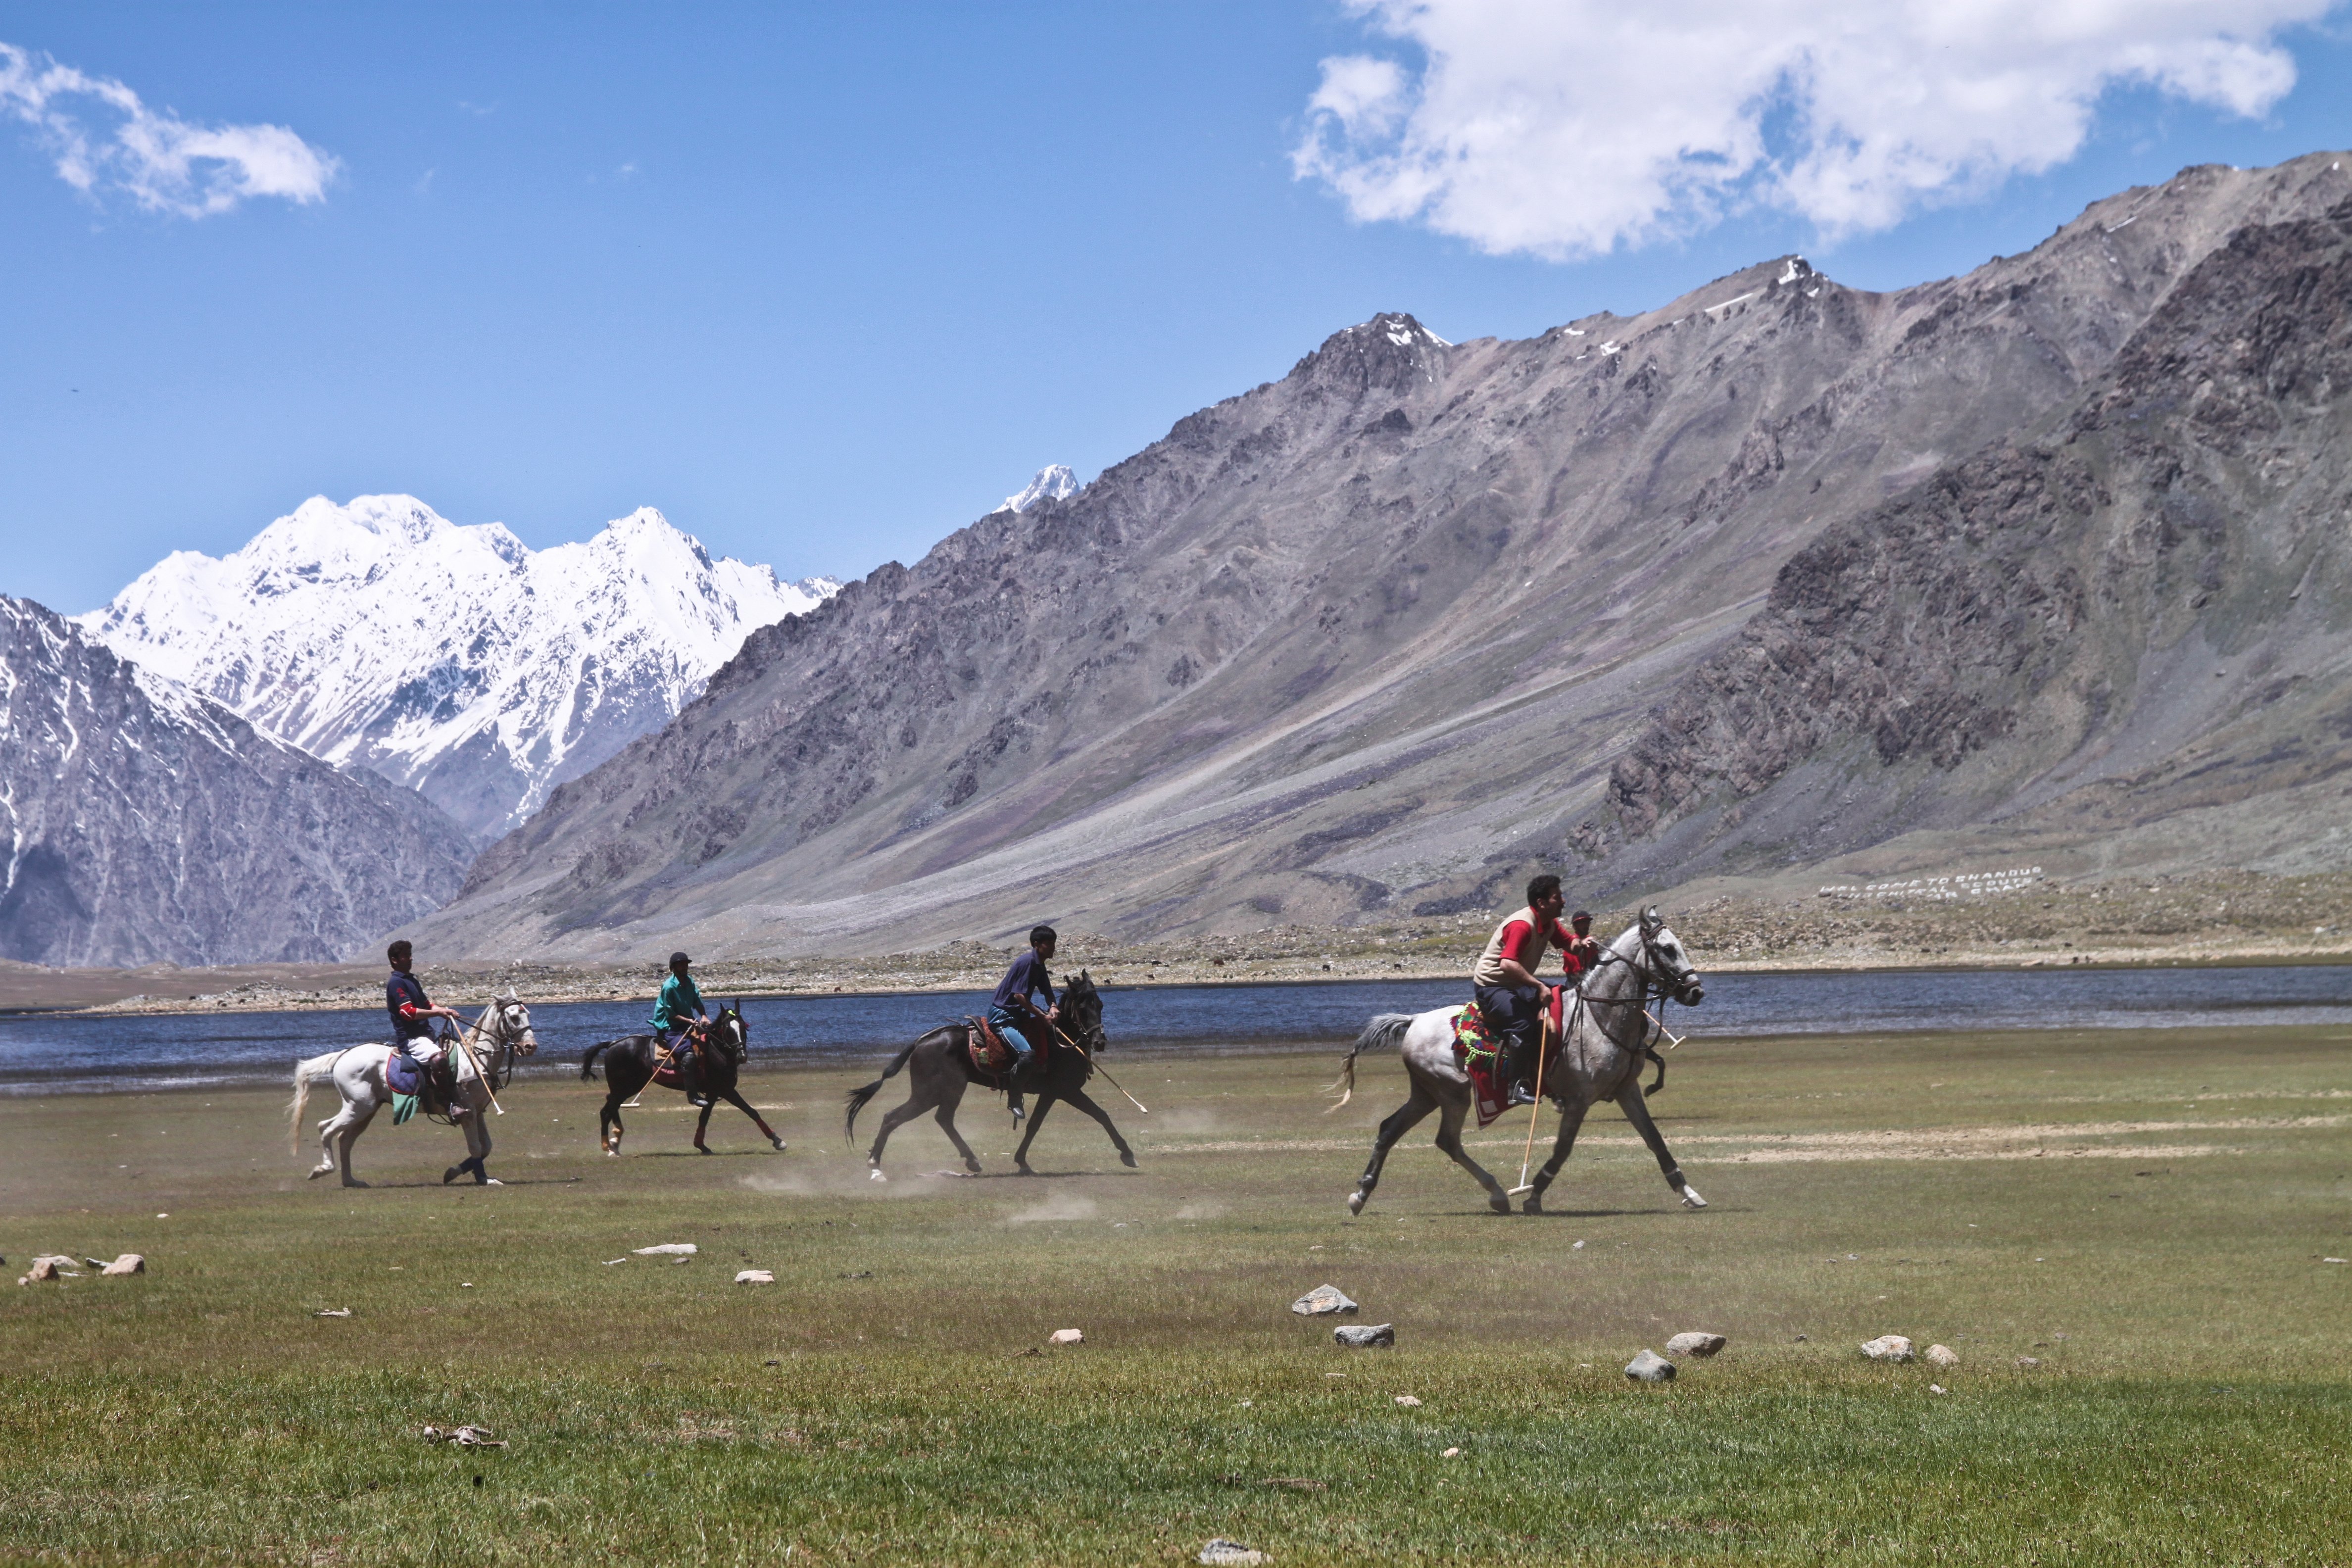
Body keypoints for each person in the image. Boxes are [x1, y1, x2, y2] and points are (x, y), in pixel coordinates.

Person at [1470, 876, 1586, 1106]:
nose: (1563, 901)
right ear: (1542, 903)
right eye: (1557, 897)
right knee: (1522, 1023)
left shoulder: (1549, 922)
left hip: (1514, 983)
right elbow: (1507, 964)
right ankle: (1516, 1087)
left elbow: (1570, 944)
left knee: (1562, 1001)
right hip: (1492, 985)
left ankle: (1550, 1077)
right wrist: (1539, 986)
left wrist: (1582, 943)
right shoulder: (1522, 925)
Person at [988, 925, 1061, 1121]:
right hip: (1003, 1017)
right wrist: (1042, 1016)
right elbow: (1019, 996)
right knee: (1027, 1055)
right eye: (1049, 944)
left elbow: (1047, 990)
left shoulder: (1039, 964)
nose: (1053, 948)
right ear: (1037, 945)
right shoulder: (1028, 962)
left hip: (1018, 1015)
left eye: (1054, 943)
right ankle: (1014, 1099)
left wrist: (1053, 1006)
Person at [386, 940, 466, 1114]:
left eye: (410, 955)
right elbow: (408, 1012)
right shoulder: (396, 983)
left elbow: (427, 1005)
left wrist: (445, 1011)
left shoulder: (411, 980)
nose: (410, 958)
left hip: (426, 1035)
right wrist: (438, 1013)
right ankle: (448, 1103)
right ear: (394, 960)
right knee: (439, 1059)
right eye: (405, 956)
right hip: (411, 1038)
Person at [650, 951, 711, 1078]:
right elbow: (670, 1014)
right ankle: (691, 1090)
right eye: (681, 965)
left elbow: (697, 1001)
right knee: (689, 1056)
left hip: (688, 1023)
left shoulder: (689, 981)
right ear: (673, 968)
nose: (685, 967)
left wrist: (704, 1015)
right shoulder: (668, 987)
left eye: (686, 964)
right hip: (671, 1027)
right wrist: (689, 1021)